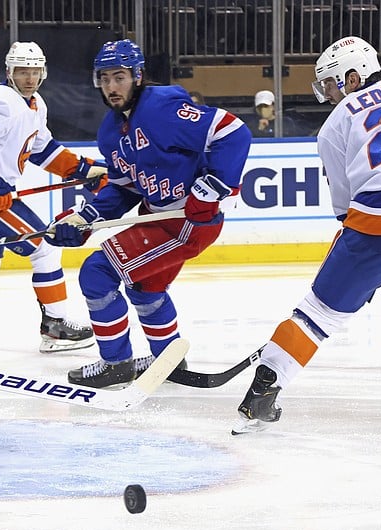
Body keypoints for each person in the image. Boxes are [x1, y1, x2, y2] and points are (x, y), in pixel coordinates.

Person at [232, 36, 381, 433]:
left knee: (317, 315)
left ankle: (262, 393)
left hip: (377, 221)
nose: (327, 96)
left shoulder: (333, 125)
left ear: (352, 78)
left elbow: (346, 210)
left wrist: (374, 264)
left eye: (330, 85)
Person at [46, 39, 251, 388]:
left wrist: (214, 187)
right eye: (105, 78)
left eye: (120, 77)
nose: (112, 87)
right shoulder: (110, 131)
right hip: (156, 216)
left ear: (138, 76)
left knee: (97, 273)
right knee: (145, 288)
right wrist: (86, 217)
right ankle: (168, 357)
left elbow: (233, 132)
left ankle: (117, 363)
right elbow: (125, 188)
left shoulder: (162, 108)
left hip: (188, 222)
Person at [0, 41, 109, 353]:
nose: (29, 78)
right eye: (22, 71)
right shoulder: (4, 102)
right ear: (9, 72)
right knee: (45, 247)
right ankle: (56, 326)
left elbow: (43, 150)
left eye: (34, 71)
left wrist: (84, 170)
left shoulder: (34, 104)